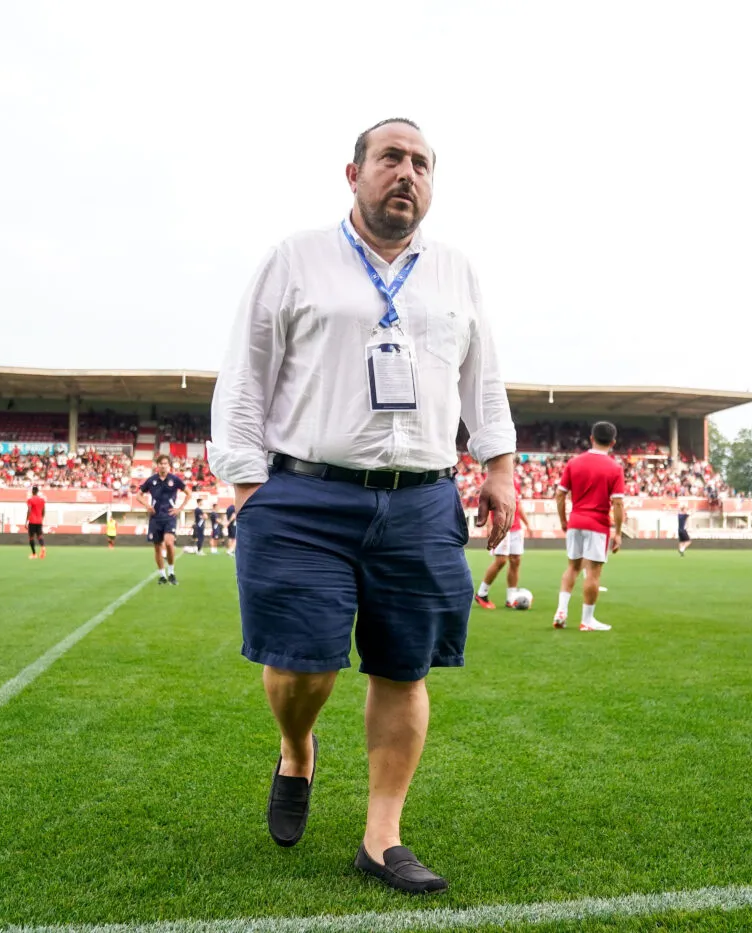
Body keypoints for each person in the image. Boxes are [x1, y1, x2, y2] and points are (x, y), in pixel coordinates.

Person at [208, 117, 515, 894]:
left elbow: (483, 379)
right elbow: (245, 374)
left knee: (403, 667)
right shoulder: (296, 258)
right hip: (306, 492)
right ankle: (298, 749)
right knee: (300, 666)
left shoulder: (455, 271)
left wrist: (498, 466)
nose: (405, 173)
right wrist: (248, 485)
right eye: (390, 158)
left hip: (420, 497)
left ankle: (382, 836)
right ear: (354, 174)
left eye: (420, 162)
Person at [553, 422, 625, 631]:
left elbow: (560, 495)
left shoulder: (574, 463)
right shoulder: (615, 468)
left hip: (575, 521)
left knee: (572, 567)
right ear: (612, 442)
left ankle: (561, 611)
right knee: (593, 573)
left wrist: (563, 520)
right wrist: (619, 533)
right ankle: (587, 620)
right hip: (598, 525)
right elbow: (618, 503)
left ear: (591, 438)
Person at [474, 476, 529, 608]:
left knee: (516, 560)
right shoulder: (494, 480)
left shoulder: (514, 481)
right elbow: (486, 505)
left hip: (516, 527)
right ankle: (482, 594)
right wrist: (489, 526)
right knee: (501, 560)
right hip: (501, 525)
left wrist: (527, 523)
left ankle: (511, 598)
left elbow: (518, 504)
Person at [138, 454, 187, 584]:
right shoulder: (151, 480)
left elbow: (189, 493)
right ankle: (162, 575)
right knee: (157, 547)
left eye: (165, 463)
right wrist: (147, 505)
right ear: (157, 465)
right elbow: (139, 495)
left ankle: (171, 572)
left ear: (169, 466)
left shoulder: (175, 480)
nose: (163, 465)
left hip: (169, 516)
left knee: (169, 543)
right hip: (155, 518)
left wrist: (179, 508)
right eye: (161, 463)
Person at [26, 485, 47, 560]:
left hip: (32, 521)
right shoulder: (42, 500)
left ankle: (34, 554)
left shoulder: (30, 500)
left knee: (31, 538)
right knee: (40, 536)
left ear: (32, 491)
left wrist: (26, 521)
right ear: (37, 492)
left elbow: (29, 510)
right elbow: (44, 511)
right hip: (39, 521)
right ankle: (43, 547)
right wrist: (41, 519)